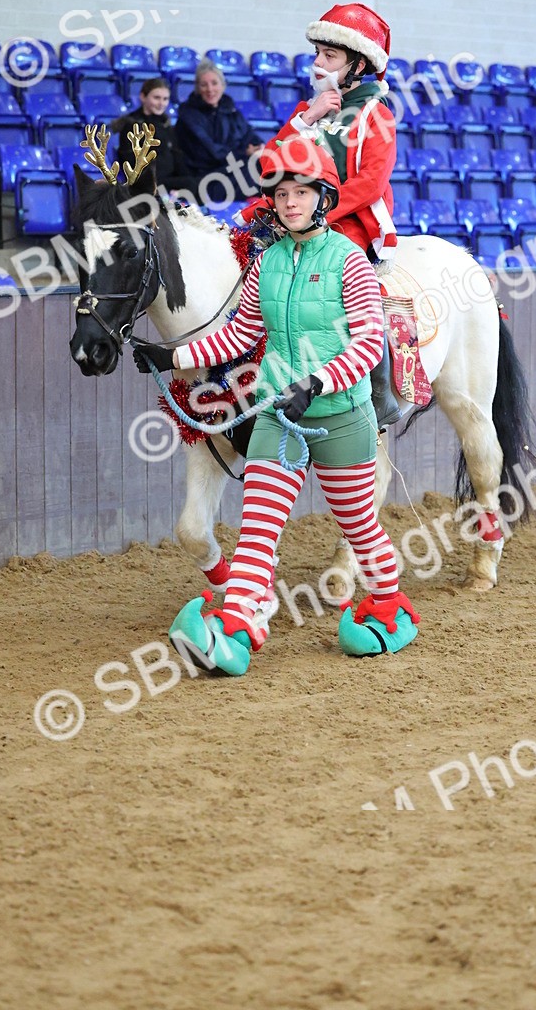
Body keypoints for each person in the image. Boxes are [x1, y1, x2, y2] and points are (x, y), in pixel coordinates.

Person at [132, 138, 420, 677]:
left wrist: (316, 381)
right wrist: (172, 356)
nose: (289, 202)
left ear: (323, 195)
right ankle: (238, 627)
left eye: (301, 192)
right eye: (281, 193)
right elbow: (239, 337)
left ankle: (388, 603)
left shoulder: (350, 262)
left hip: (340, 416)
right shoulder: (266, 262)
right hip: (279, 414)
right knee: (257, 528)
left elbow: (364, 342)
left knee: (359, 526)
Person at [238, 3, 402, 425]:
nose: (317, 63)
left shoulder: (376, 115)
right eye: (317, 54)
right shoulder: (306, 112)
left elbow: (369, 183)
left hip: (347, 223)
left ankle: (380, 392)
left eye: (328, 56)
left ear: (357, 64)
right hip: (292, 214)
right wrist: (306, 117)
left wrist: (319, 214)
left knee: (358, 297)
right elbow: (268, 167)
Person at [174, 59, 264, 200]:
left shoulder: (231, 111)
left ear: (223, 85)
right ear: (198, 88)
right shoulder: (188, 116)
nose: (210, 89)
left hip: (233, 169)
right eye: (204, 85)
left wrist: (260, 147)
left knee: (267, 163)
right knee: (254, 171)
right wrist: (244, 153)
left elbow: (249, 135)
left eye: (214, 83)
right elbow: (209, 152)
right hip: (206, 177)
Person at [110, 77, 198, 198]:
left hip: (167, 180)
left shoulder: (165, 124)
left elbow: (177, 156)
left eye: (165, 99)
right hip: (146, 181)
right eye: (156, 98)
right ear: (143, 97)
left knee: (196, 182)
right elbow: (129, 162)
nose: (161, 103)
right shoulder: (131, 124)